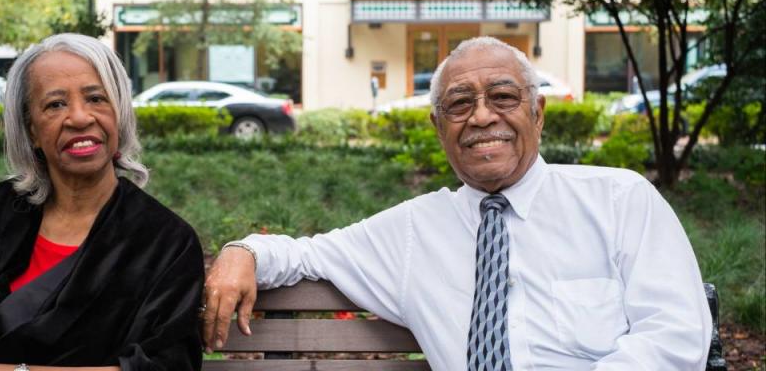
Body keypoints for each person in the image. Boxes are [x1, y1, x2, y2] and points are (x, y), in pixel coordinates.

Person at [202, 37, 712, 370]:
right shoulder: (412, 231)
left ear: (538, 113)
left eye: (503, 98)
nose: (482, 117)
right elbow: (306, 254)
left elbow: (674, 336)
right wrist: (240, 251)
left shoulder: (620, 200)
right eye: (460, 104)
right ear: (438, 126)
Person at [0, 33, 204, 371]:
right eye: (55, 104)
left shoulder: (165, 241)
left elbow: (169, 365)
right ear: (31, 130)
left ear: (120, 112)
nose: (80, 118)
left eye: (96, 98)